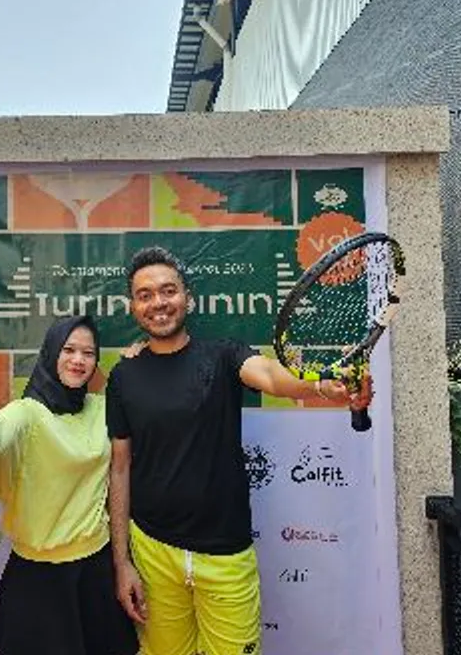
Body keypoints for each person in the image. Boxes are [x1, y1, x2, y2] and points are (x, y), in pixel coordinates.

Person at [106, 246, 373, 655]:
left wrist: (321, 386)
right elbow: (120, 468)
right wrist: (122, 562)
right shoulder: (124, 376)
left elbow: (271, 376)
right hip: (152, 551)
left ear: (187, 297)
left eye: (168, 291)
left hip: (225, 554)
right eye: (145, 295)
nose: (158, 302)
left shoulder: (224, 355)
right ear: (133, 307)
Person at [0, 315, 139, 655]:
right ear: (51, 352)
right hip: (39, 578)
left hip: (97, 568)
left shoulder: (101, 408)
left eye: (88, 353)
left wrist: (140, 365)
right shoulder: (26, 414)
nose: (78, 360)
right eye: (69, 350)